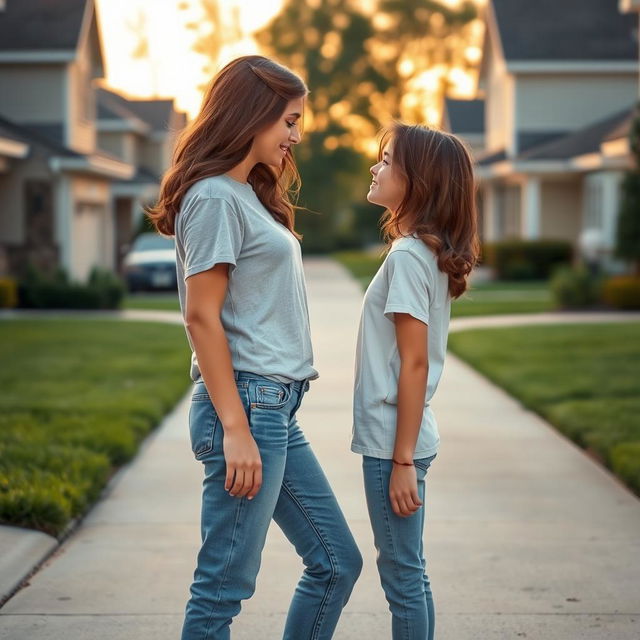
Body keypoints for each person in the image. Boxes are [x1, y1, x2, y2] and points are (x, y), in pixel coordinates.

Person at [148, 55, 362, 640]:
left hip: (274, 408)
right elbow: (200, 316)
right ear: (251, 115)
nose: (297, 135)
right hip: (247, 408)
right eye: (289, 121)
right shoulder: (215, 197)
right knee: (222, 587)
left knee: (337, 562)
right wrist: (236, 427)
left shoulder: (244, 195)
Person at [351, 123, 480, 640]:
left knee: (402, 575)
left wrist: (401, 460)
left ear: (418, 180)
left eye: (385, 160)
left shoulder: (408, 255)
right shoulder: (423, 251)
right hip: (403, 435)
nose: (374, 167)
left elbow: (414, 364)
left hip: (393, 441)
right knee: (409, 571)